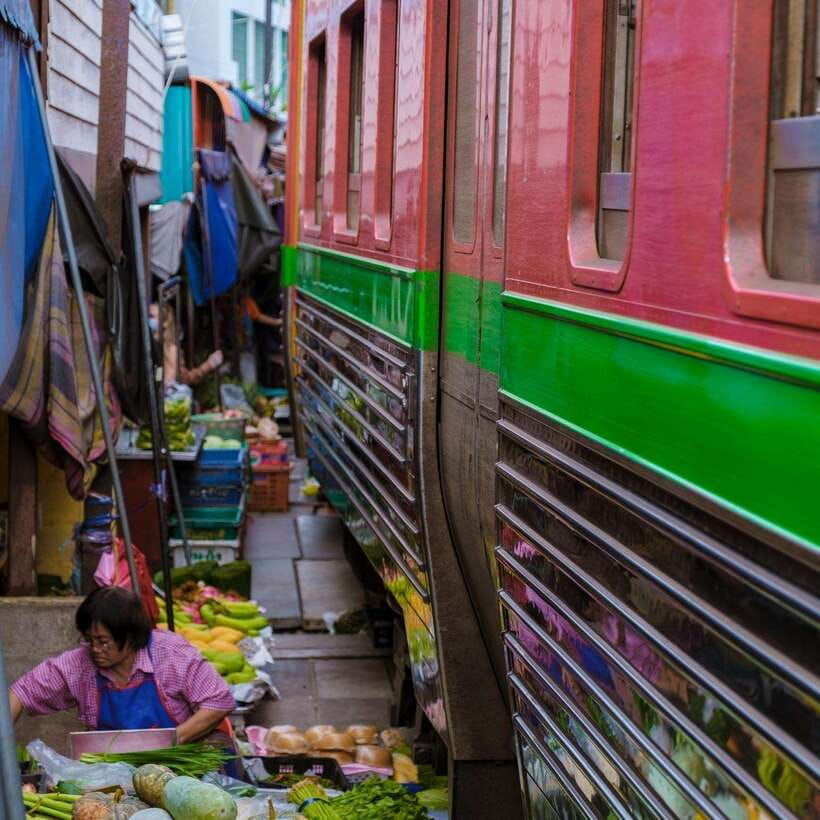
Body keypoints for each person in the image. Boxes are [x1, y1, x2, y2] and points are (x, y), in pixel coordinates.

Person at [8, 587, 235, 744]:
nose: (95, 648)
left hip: (181, 770)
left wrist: (168, 742)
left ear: (130, 636)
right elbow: (20, 693)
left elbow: (218, 702)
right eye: (89, 639)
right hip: (116, 775)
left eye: (103, 642)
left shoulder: (170, 653)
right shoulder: (80, 664)